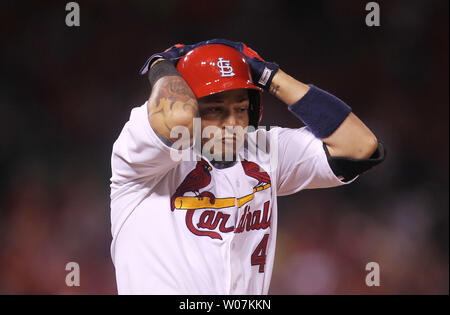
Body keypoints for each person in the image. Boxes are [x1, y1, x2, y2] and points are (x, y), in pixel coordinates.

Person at [109, 39, 385, 294]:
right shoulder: (144, 158)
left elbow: (360, 147)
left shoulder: (263, 149)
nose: (232, 123)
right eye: (215, 109)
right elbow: (176, 115)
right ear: (192, 106)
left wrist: (271, 76)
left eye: (240, 109)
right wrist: (161, 65)